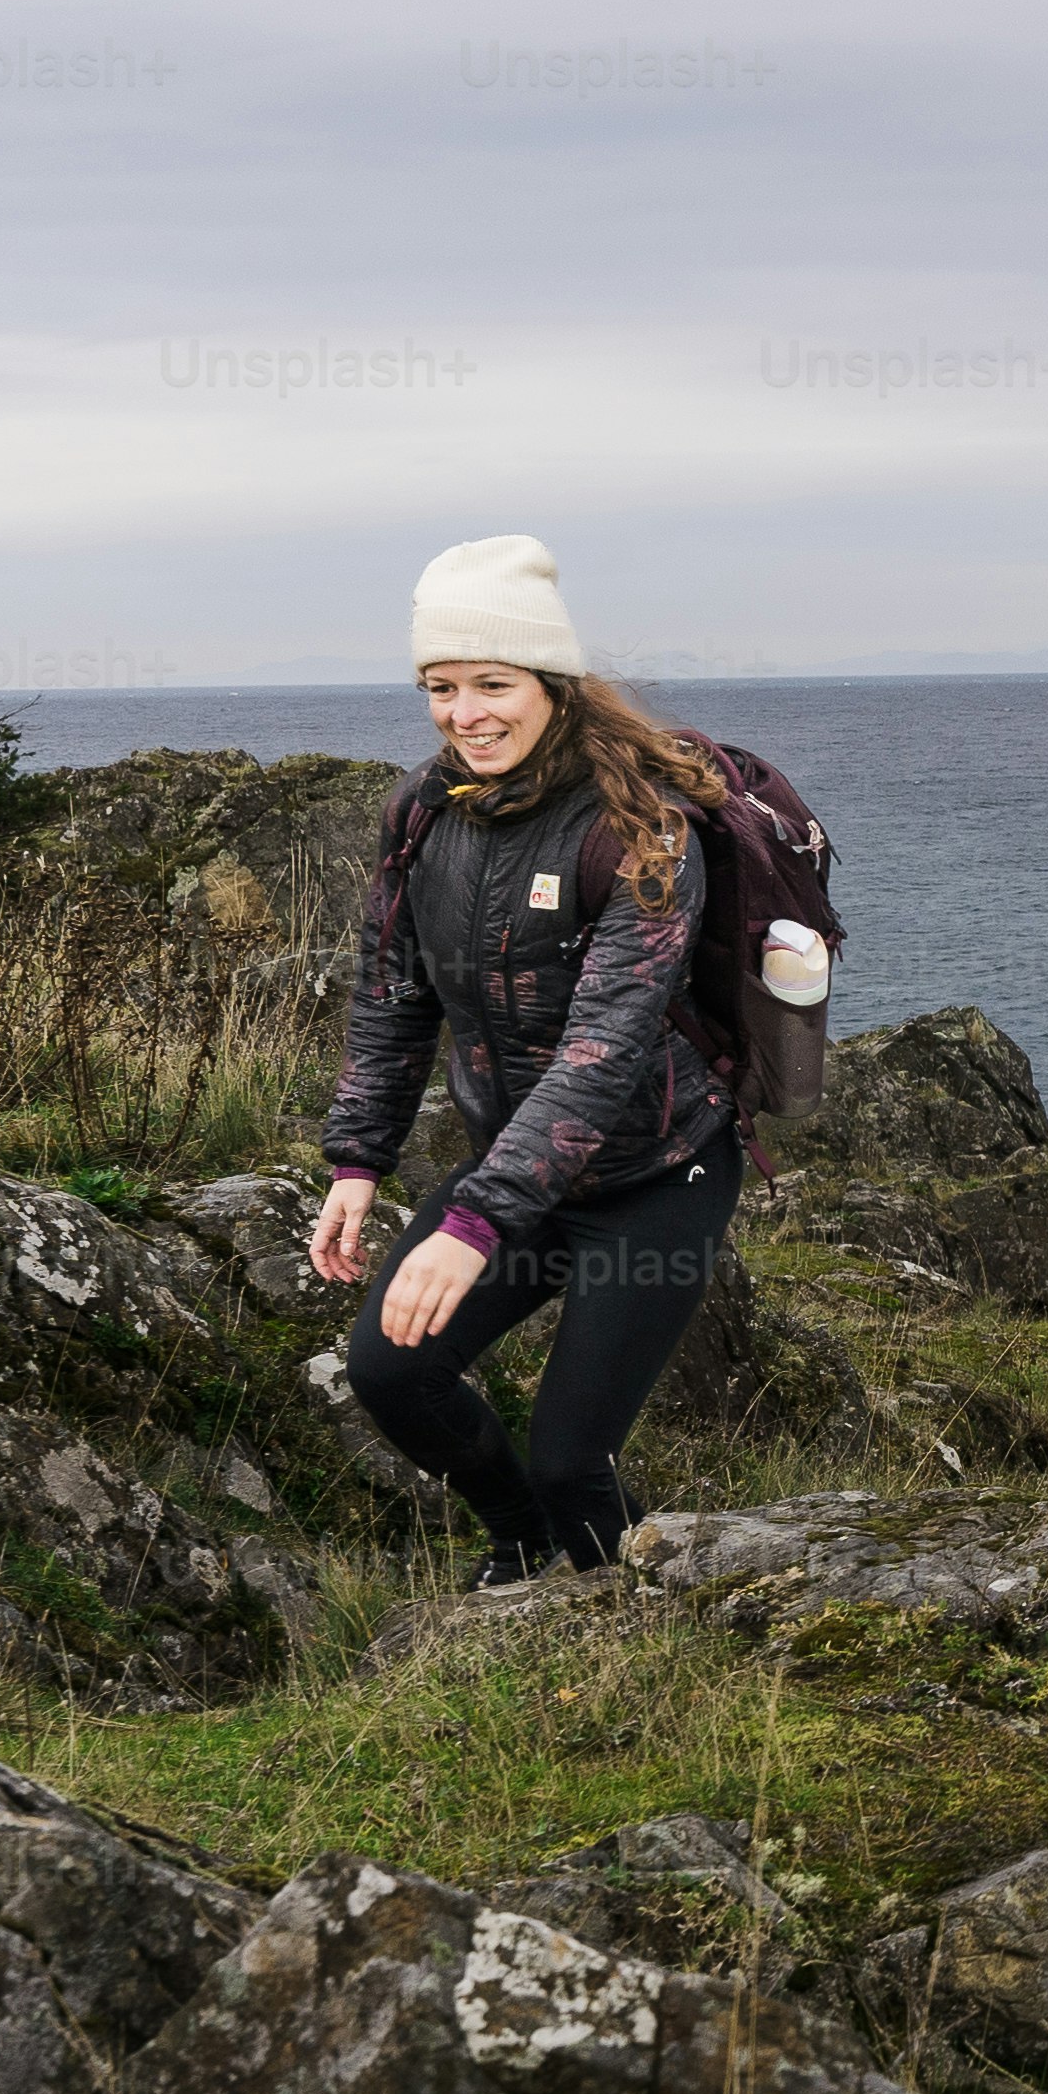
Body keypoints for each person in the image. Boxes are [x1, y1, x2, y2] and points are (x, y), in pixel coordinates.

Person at [313, 533, 748, 1578]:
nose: (467, 712)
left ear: (550, 682)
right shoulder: (424, 814)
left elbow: (601, 1053)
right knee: (388, 1370)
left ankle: (622, 1618)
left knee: (570, 1457)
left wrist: (472, 1220)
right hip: (522, 1169)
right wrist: (358, 1163)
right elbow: (393, 997)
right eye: (441, 685)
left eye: (493, 681)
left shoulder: (640, 832)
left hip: (655, 1175)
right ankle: (521, 1543)